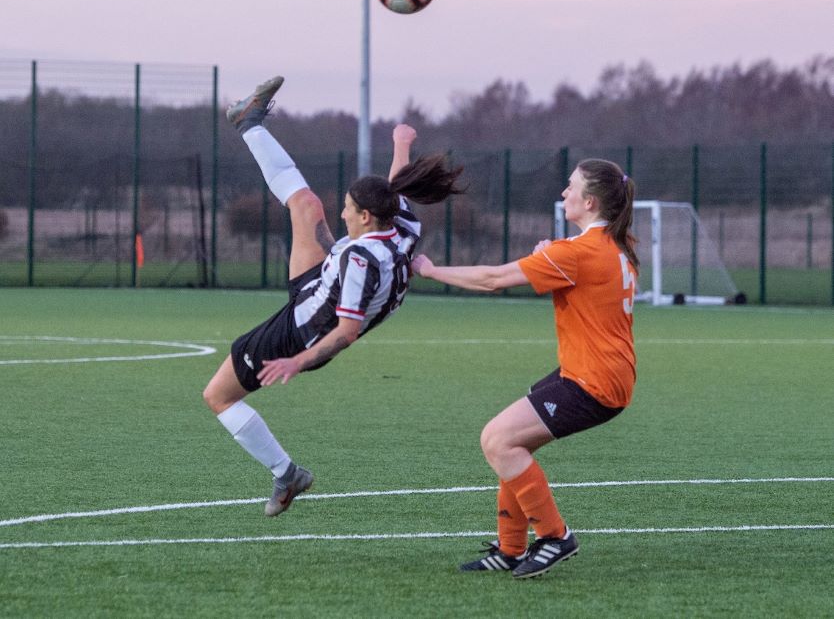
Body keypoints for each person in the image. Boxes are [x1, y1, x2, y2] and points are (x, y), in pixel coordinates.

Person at [203, 75, 464, 517]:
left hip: (303, 333)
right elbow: (395, 186)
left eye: (347, 207)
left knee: (219, 396)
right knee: (306, 206)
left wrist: (296, 361)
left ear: (364, 216)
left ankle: (287, 474)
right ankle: (248, 122)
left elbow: (346, 331)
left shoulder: (361, 260)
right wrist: (401, 142)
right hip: (319, 285)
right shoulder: (398, 226)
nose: (342, 211)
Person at [412, 159, 638, 579]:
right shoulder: (614, 245)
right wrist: (549, 256)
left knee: (498, 440)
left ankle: (555, 537)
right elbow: (582, 279)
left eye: (570, 188)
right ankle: (512, 549)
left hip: (594, 382)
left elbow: (493, 279)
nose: (563, 193)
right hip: (595, 372)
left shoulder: (576, 252)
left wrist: (429, 270)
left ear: (589, 201)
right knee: (512, 442)